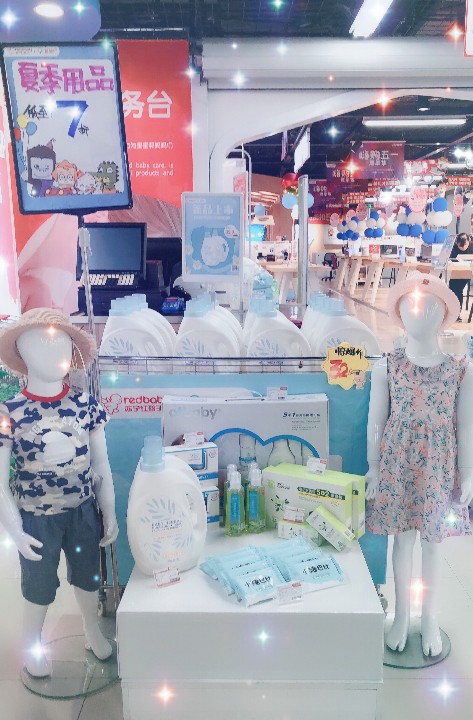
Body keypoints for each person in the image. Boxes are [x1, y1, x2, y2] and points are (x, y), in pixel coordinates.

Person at [0, 308, 118, 677]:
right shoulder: (10, 412)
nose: (55, 352)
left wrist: (109, 512)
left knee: (87, 575)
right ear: (22, 351)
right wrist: (15, 530)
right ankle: (31, 642)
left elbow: (102, 464)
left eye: (62, 343)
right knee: (38, 584)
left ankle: (91, 629)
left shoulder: (86, 404)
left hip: (83, 511)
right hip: (36, 517)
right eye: (41, 343)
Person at [366, 273, 473, 657]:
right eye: (412, 305)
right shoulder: (387, 366)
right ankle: (400, 616)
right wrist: (373, 465)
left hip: (438, 468)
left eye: (429, 306)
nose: (420, 312)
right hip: (398, 463)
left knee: (432, 544)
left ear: (443, 314)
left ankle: (428, 619)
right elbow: (376, 420)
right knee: (402, 542)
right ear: (399, 312)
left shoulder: (460, 369)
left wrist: (469, 473)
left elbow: (466, 425)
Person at [448, 232, 471, 320]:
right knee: (453, 289)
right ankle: (453, 312)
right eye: (461, 246)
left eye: (465, 245)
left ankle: (457, 313)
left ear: (469, 241)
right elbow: (448, 260)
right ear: (456, 243)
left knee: (457, 290)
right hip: (454, 272)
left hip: (467, 272)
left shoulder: (471, 247)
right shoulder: (452, 248)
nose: (463, 247)